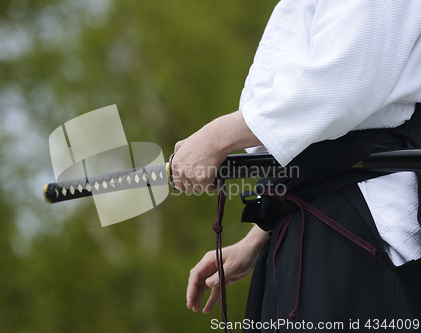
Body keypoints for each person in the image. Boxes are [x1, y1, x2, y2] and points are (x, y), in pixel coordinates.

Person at [172, 1, 421, 331]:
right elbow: (307, 140)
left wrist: (216, 138)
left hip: (359, 234)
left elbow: (338, 84)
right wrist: (253, 240)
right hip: (301, 227)